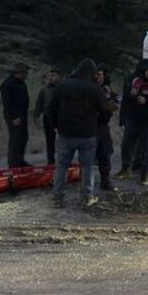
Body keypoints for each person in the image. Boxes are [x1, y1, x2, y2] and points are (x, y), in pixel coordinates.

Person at [47, 59, 113, 208]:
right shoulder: (95, 89)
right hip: (88, 134)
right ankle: (86, 197)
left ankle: (57, 198)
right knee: (87, 167)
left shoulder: (62, 86)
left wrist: (55, 126)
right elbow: (105, 110)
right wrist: (99, 123)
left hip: (65, 133)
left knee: (61, 166)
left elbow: (51, 108)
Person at [115, 59, 148, 180]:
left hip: (143, 117)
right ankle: (128, 167)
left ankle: (136, 167)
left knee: (139, 145)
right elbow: (126, 98)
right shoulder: (131, 80)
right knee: (128, 144)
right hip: (133, 116)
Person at [0, 62, 30, 168]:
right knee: (15, 139)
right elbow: (7, 102)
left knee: (23, 138)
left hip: (22, 114)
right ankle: (13, 164)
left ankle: (20, 160)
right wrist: (13, 117)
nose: (27, 75)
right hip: (14, 115)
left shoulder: (21, 83)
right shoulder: (8, 84)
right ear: (20, 72)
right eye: (25, 72)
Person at [95, 65, 120, 191]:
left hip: (103, 125)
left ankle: (105, 180)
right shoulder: (90, 88)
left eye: (101, 74)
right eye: (97, 74)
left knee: (105, 153)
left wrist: (114, 102)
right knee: (88, 156)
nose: (98, 77)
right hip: (91, 125)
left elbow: (114, 98)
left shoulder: (106, 88)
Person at [33, 69, 63, 165]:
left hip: (62, 117)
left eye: (53, 75)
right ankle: (50, 160)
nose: (51, 78)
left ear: (60, 76)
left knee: (64, 140)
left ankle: (63, 159)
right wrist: (36, 115)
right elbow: (39, 103)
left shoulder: (64, 88)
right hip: (48, 117)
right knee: (50, 140)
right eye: (50, 75)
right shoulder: (45, 90)